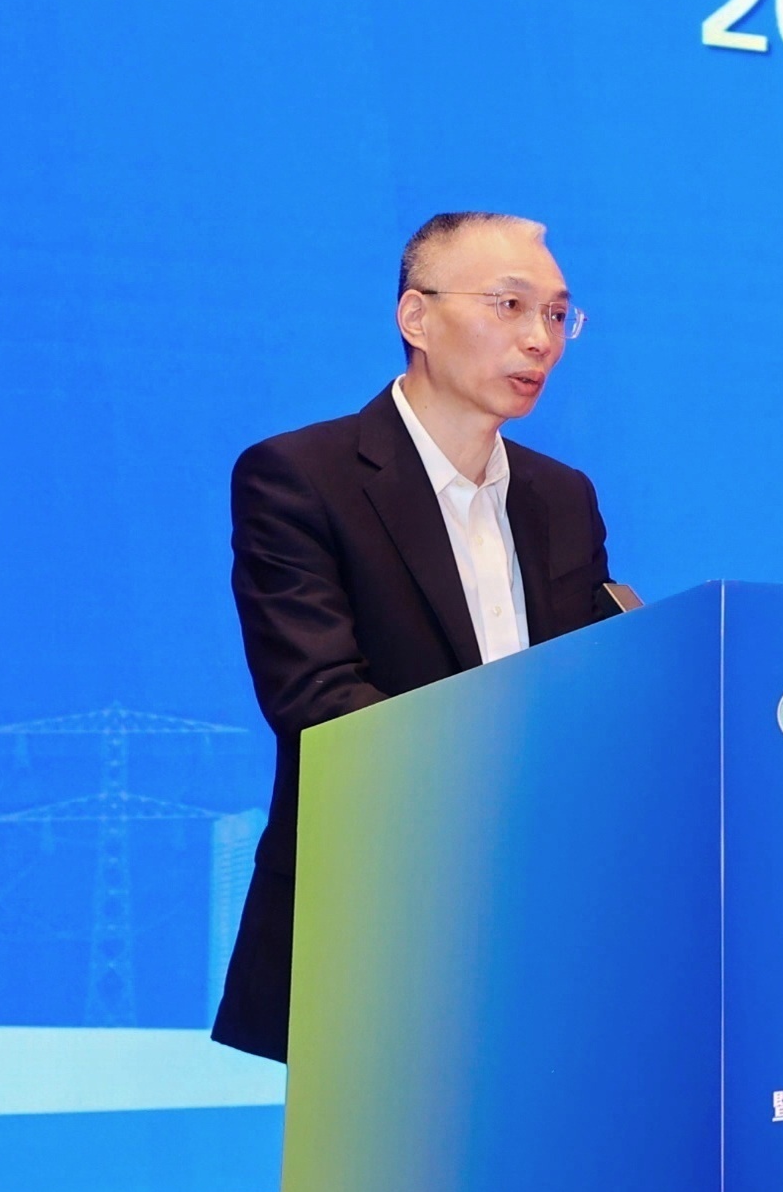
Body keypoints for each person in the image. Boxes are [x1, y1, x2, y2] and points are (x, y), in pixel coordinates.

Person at [210, 212, 621, 1060]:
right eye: (509, 305)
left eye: (557, 314)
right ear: (417, 318)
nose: (540, 338)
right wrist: (511, 794)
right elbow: (321, 703)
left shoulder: (561, 498)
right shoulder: (301, 478)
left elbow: (591, 694)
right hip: (376, 923)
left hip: (545, 932)